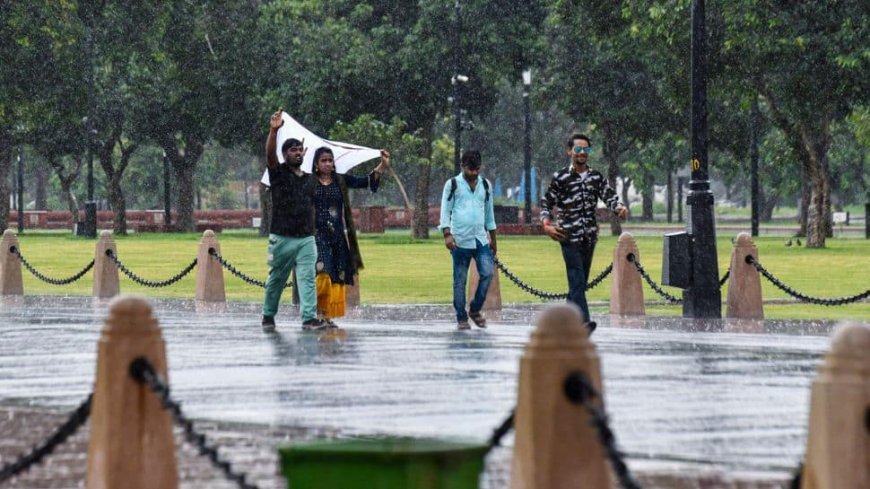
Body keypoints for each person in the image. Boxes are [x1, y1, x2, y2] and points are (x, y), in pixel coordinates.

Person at [540, 134, 628, 331]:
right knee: (577, 278)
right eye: (578, 149)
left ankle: (564, 322)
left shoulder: (595, 177)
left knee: (579, 284)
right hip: (568, 236)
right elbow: (547, 203)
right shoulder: (561, 177)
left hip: (589, 237)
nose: (581, 153)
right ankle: (584, 323)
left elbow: (609, 196)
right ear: (569, 151)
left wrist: (619, 208)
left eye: (585, 150)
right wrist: (546, 225)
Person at [262, 108, 327, 333]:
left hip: (306, 238)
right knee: (277, 279)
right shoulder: (277, 174)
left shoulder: (310, 179)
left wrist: (317, 229)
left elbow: (312, 206)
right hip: (282, 237)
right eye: (292, 150)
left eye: (300, 150)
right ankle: (268, 314)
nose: (297, 153)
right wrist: (273, 131)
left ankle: (308, 318)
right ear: (284, 154)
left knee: (307, 278)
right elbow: (269, 154)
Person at [312, 146, 390, 327]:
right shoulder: (309, 183)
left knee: (337, 275)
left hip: (337, 237)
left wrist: (382, 166)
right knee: (323, 273)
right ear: (316, 164)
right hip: (317, 237)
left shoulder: (340, 180)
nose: (327, 164)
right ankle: (318, 312)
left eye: (330, 160)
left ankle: (328, 317)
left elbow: (366, 181)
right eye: (323, 160)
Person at [438, 150, 497, 330]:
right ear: (462, 166)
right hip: (459, 240)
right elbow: (445, 210)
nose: (473, 174)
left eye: (476, 169)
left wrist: (493, 239)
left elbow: (489, 214)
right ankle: (461, 318)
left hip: (480, 239)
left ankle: (475, 309)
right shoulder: (453, 184)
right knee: (460, 280)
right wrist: (447, 234)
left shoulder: (486, 185)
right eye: (470, 170)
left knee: (488, 273)